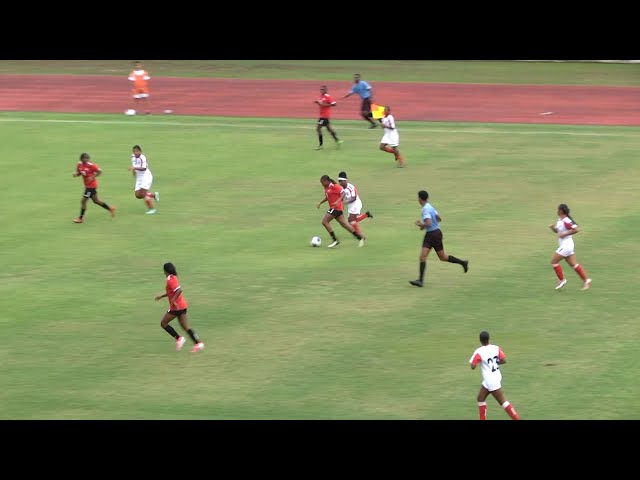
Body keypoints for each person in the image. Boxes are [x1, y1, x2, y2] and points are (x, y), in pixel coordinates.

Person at [410, 190, 468, 287]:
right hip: (435, 233)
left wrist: (421, 225)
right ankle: (420, 281)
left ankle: (463, 262)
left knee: (439, 257)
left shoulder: (425, 209)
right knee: (429, 257)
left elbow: (428, 223)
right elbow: (439, 219)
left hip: (432, 235)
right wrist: (426, 226)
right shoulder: (430, 207)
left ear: (419, 199)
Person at [469, 330, 521, 420]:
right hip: (495, 376)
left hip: (491, 380)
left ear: (480, 340)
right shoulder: (495, 348)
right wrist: (495, 362)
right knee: (480, 399)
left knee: (503, 402)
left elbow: (473, 366)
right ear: (488, 339)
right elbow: (504, 360)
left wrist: (480, 362)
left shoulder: (479, 351)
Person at [154, 262, 205, 353]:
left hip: (176, 307)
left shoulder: (170, 280)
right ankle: (198, 343)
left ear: (165, 271)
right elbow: (172, 292)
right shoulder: (173, 278)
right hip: (182, 305)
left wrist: (173, 301)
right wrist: (161, 296)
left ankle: (179, 338)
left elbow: (179, 290)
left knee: (163, 323)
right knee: (185, 326)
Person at [549, 203, 592, 290]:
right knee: (573, 264)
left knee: (554, 261)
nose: (556, 211)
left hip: (567, 246)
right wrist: (553, 228)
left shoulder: (567, 220)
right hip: (567, 246)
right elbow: (557, 231)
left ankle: (562, 280)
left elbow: (576, 229)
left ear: (561, 211)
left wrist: (565, 234)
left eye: (558, 209)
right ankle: (586, 281)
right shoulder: (560, 220)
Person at [316, 175, 365, 248]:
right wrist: (320, 202)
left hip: (336, 207)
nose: (321, 184)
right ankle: (360, 238)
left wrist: (338, 201)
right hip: (336, 208)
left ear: (326, 181)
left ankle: (335, 240)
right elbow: (328, 197)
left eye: (322, 182)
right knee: (345, 225)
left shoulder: (334, 186)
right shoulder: (327, 188)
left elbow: (343, 193)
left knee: (325, 222)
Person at [72, 153, 116, 223]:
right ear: (81, 159)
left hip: (91, 186)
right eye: (84, 158)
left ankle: (80, 218)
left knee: (83, 201)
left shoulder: (91, 165)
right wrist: (76, 174)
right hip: (87, 186)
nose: (86, 160)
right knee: (96, 201)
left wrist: (92, 177)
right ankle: (110, 209)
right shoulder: (79, 164)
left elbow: (99, 171)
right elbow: (80, 172)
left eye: (87, 158)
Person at [337, 171, 373, 238]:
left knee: (351, 221)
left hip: (356, 204)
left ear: (345, 180)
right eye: (339, 181)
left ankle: (360, 235)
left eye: (341, 181)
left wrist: (345, 202)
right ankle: (366, 215)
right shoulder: (341, 188)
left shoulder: (351, 187)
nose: (340, 183)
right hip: (350, 206)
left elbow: (354, 198)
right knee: (351, 221)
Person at [127, 145, 159, 214]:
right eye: (134, 151)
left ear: (140, 151)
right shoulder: (132, 157)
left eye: (137, 151)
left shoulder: (143, 158)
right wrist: (134, 173)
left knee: (143, 194)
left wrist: (134, 168)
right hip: (139, 177)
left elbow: (144, 168)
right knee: (138, 195)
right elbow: (134, 165)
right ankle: (154, 195)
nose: (135, 153)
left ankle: (152, 209)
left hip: (146, 176)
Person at [314, 85, 343, 150]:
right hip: (323, 115)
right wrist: (317, 102)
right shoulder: (320, 96)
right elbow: (320, 104)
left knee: (318, 129)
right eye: (321, 89)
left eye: (323, 89)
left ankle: (320, 145)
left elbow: (334, 104)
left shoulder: (328, 96)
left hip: (324, 116)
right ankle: (338, 141)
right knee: (329, 129)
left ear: (326, 90)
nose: (321, 90)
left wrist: (326, 105)